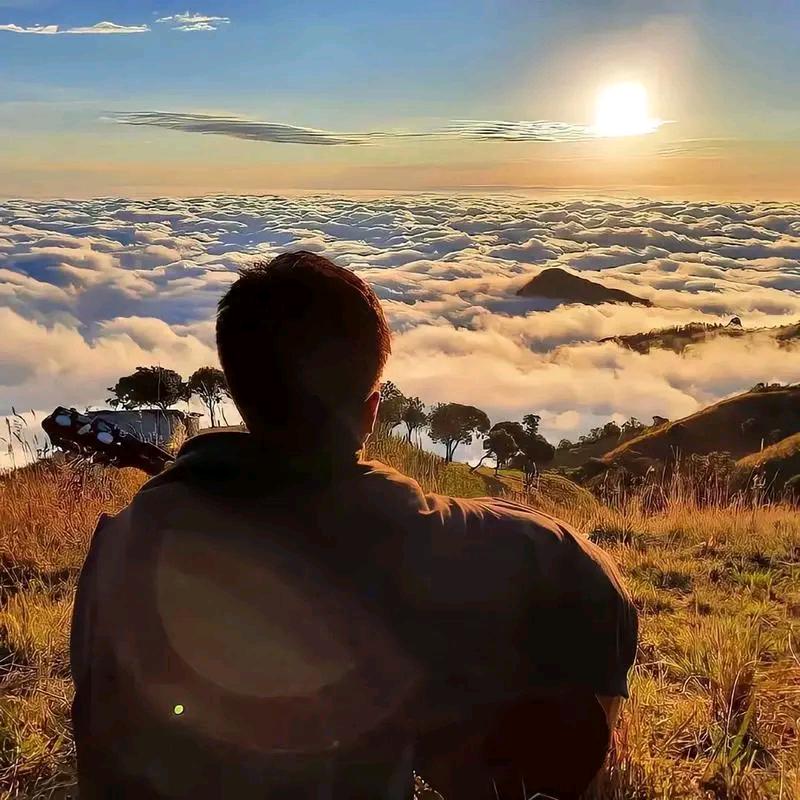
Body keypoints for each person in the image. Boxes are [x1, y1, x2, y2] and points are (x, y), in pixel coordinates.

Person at [70, 251, 638, 800]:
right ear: (371, 411)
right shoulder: (413, 539)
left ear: (240, 392)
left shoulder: (123, 539)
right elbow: (590, 578)